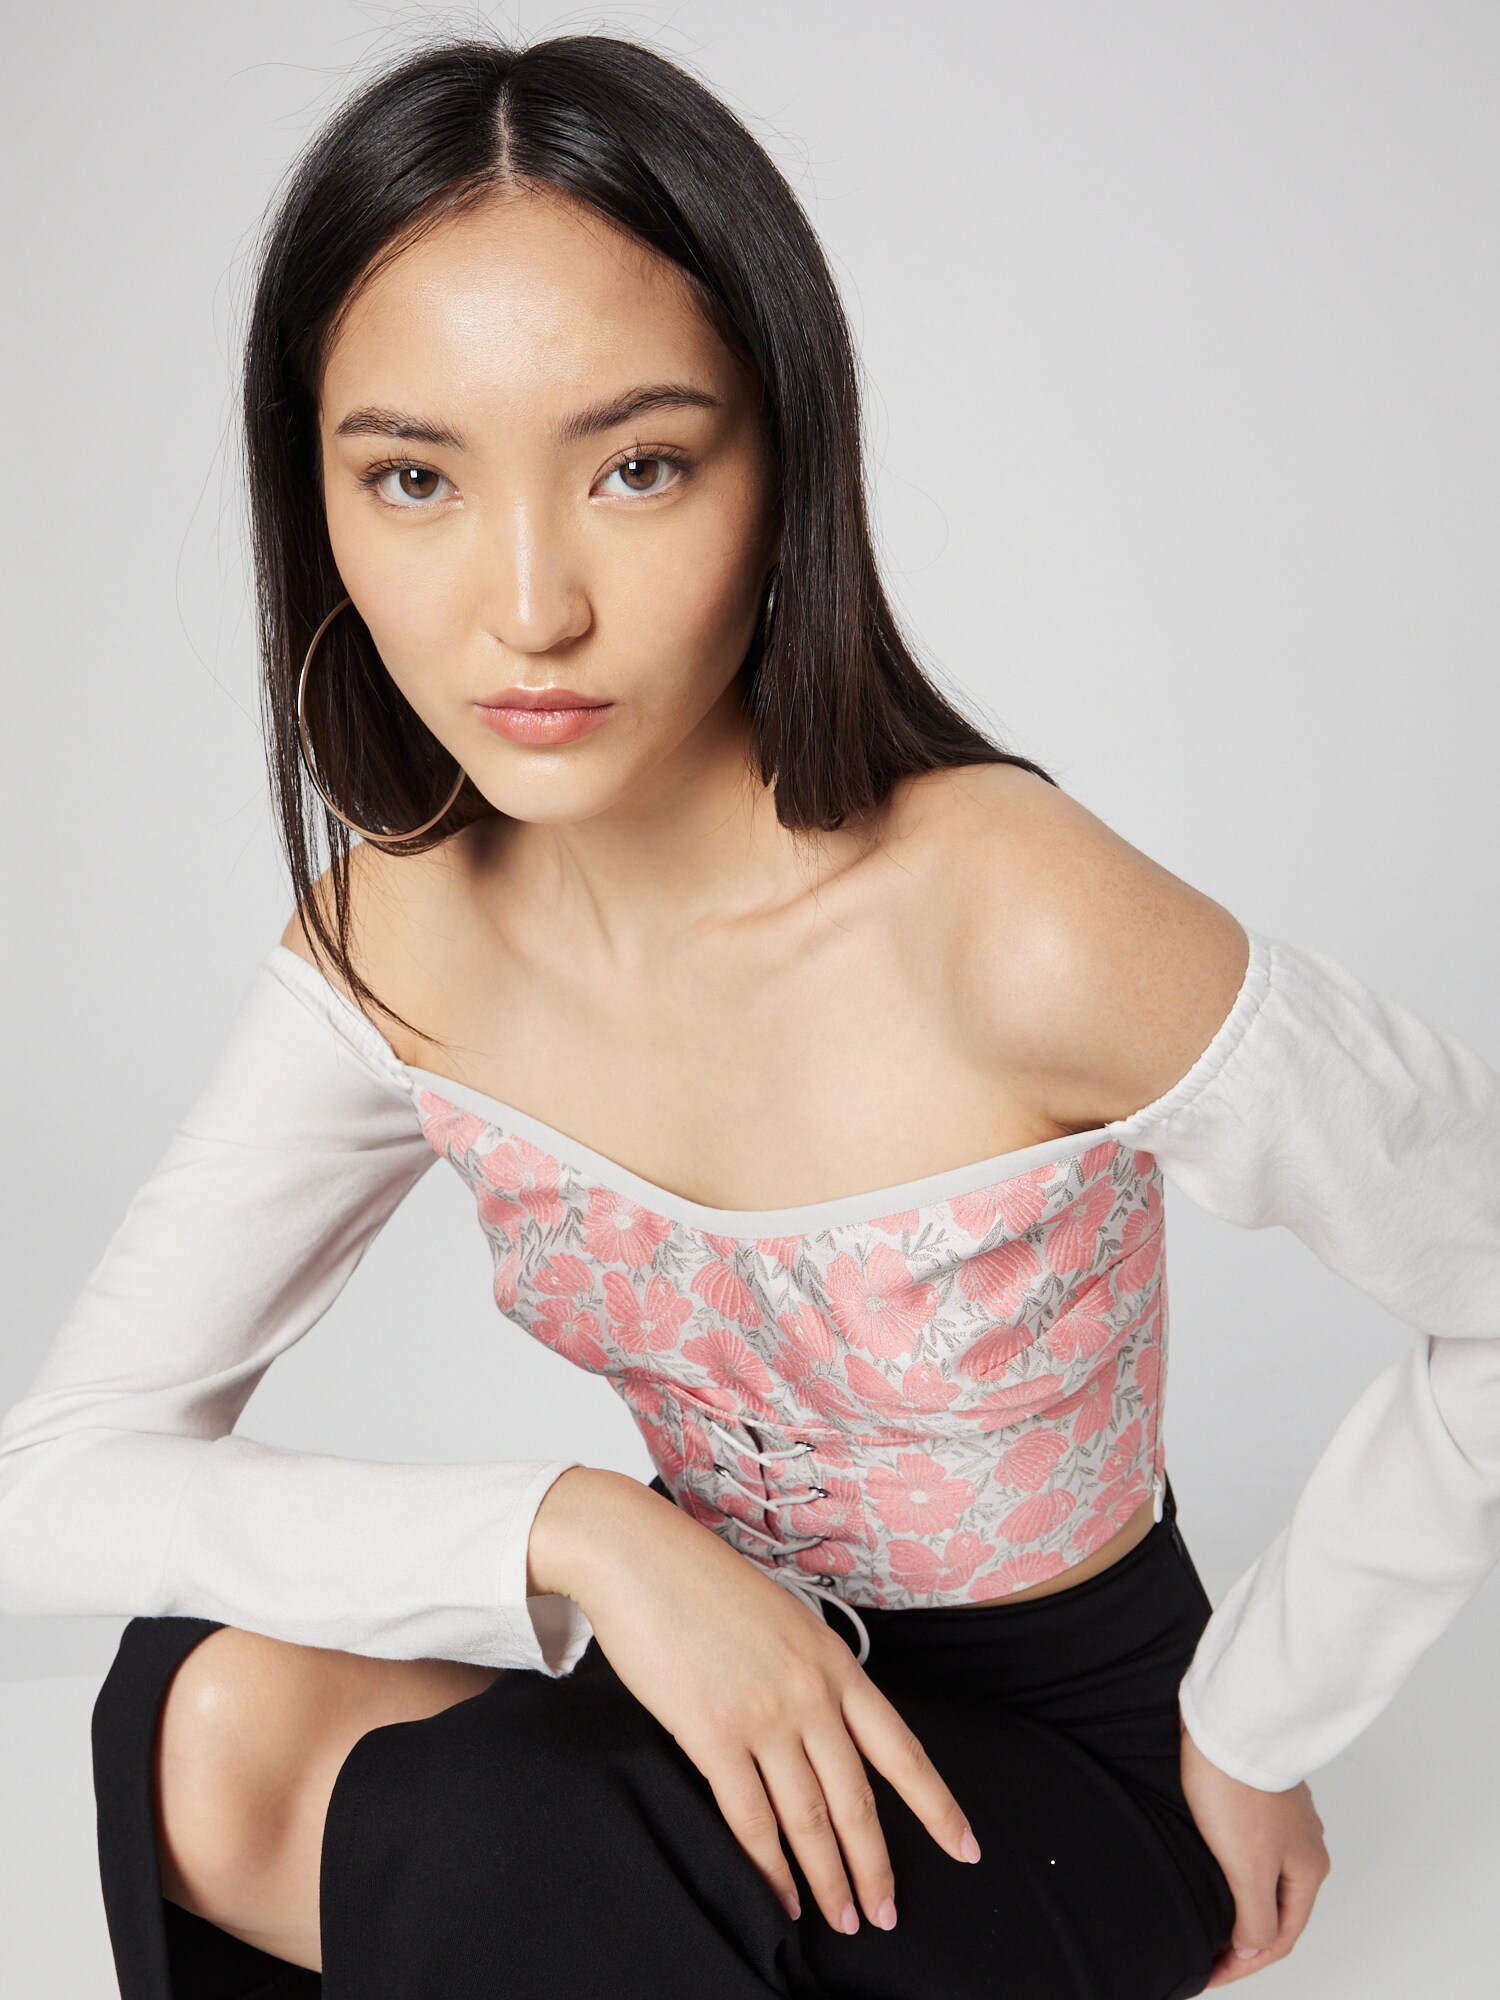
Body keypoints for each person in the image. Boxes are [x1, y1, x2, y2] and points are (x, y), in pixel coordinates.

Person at [2, 30, 1495, 2000]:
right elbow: (59, 1485)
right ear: (321, 501)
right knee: (191, 1713)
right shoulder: (403, 935)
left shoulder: (1015, 913)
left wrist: (1263, 1718)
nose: (529, 606)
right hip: (715, 1685)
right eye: (414, 477)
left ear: (784, 462)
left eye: (637, 465)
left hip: (1055, 1766)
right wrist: (589, 1538)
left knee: (499, 1838)